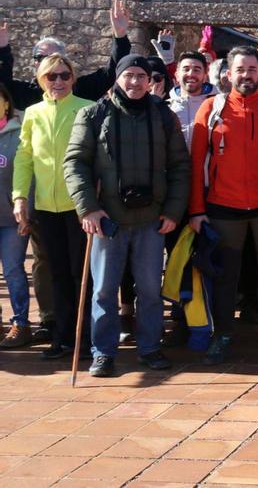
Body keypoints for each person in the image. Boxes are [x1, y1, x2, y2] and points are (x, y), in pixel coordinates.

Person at [64, 54, 191, 377]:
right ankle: (103, 352)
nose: (134, 82)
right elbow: (75, 163)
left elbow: (179, 166)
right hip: (108, 219)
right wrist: (88, 208)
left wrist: (174, 211)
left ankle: (150, 347)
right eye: (128, 75)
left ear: (151, 81)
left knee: (150, 289)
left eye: (141, 76)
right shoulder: (93, 114)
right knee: (104, 290)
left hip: (151, 218)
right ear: (118, 78)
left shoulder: (164, 116)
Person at [187, 46, 258, 364]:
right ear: (228, 73)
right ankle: (222, 335)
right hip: (223, 207)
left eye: (252, 69)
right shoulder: (211, 108)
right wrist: (196, 210)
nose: (246, 75)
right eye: (240, 69)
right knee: (226, 278)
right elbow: (197, 163)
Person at [11, 54, 94, 359]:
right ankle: (61, 336)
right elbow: (24, 157)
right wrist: (20, 196)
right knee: (56, 273)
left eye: (64, 75)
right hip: (46, 207)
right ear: (41, 80)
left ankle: (83, 338)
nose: (58, 82)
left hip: (79, 206)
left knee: (79, 273)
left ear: (73, 78)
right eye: (51, 76)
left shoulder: (87, 108)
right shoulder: (32, 113)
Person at [0, 0, 131, 109]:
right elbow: (3, 85)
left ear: (64, 60)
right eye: (41, 57)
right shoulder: (27, 95)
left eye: (54, 56)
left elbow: (113, 72)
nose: (49, 62)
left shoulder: (80, 90)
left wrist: (120, 36)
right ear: (35, 63)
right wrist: (3, 50)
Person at [0, 84, 31, 347]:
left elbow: (28, 173)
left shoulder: (20, 131)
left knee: (13, 271)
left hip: (12, 219)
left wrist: (25, 211)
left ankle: (21, 323)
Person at [168, 51, 215, 149]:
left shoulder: (217, 107)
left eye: (197, 70)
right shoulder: (167, 108)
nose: (191, 74)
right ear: (177, 75)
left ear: (205, 76)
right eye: (186, 69)